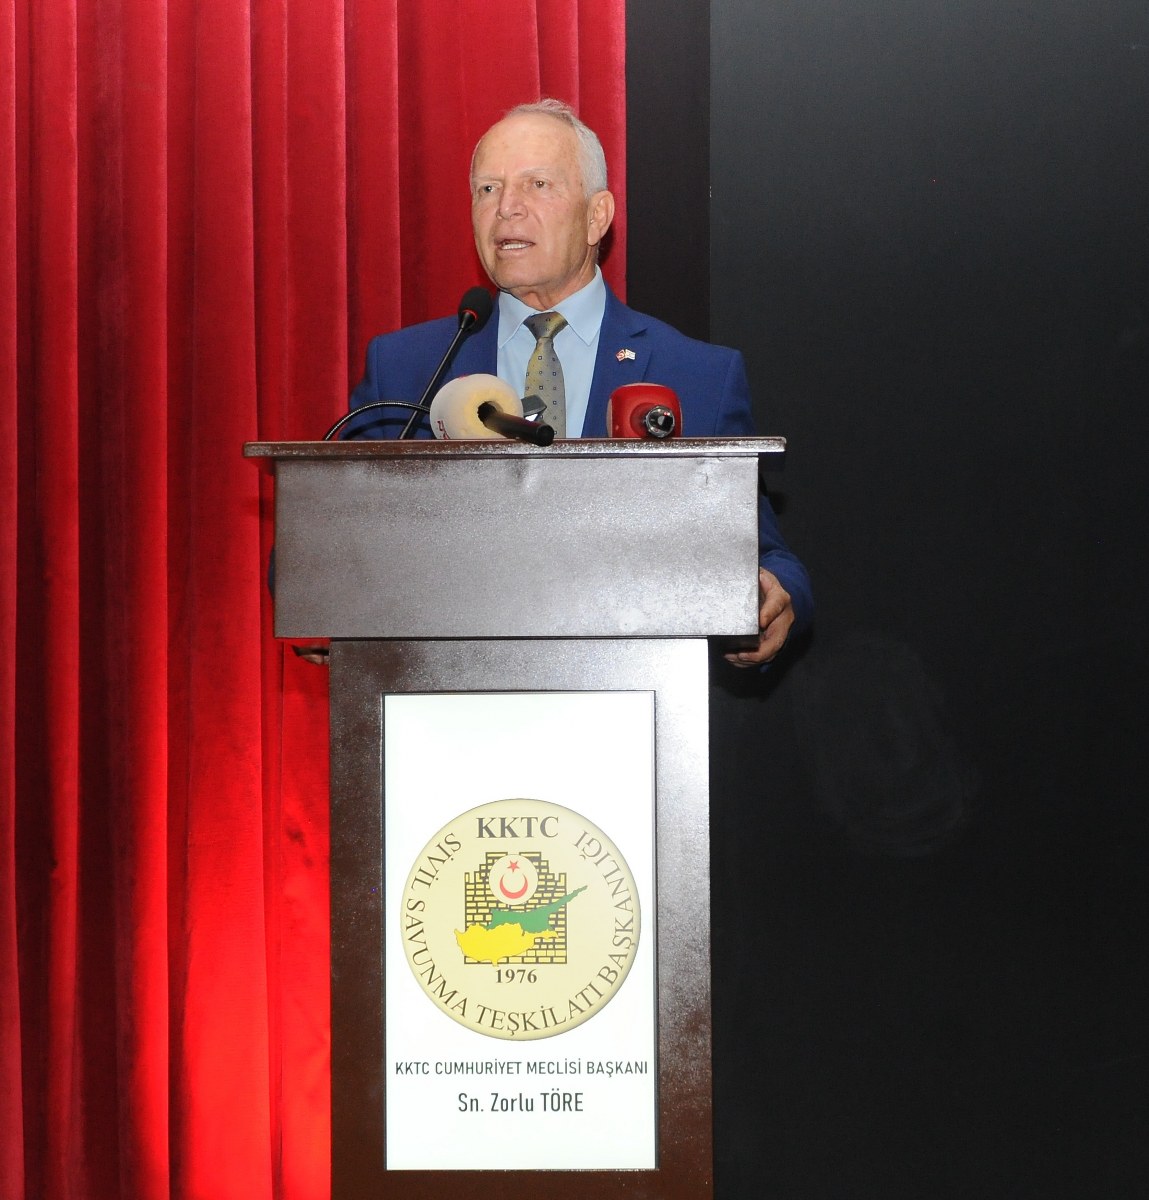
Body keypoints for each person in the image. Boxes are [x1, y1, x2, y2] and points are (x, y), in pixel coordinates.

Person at [347, 99, 811, 666]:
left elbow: (762, 555)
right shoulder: (407, 367)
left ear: (597, 217)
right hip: (445, 689)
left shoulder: (696, 374)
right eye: (487, 189)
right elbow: (326, 540)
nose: (506, 208)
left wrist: (775, 598)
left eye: (537, 184)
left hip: (631, 690)